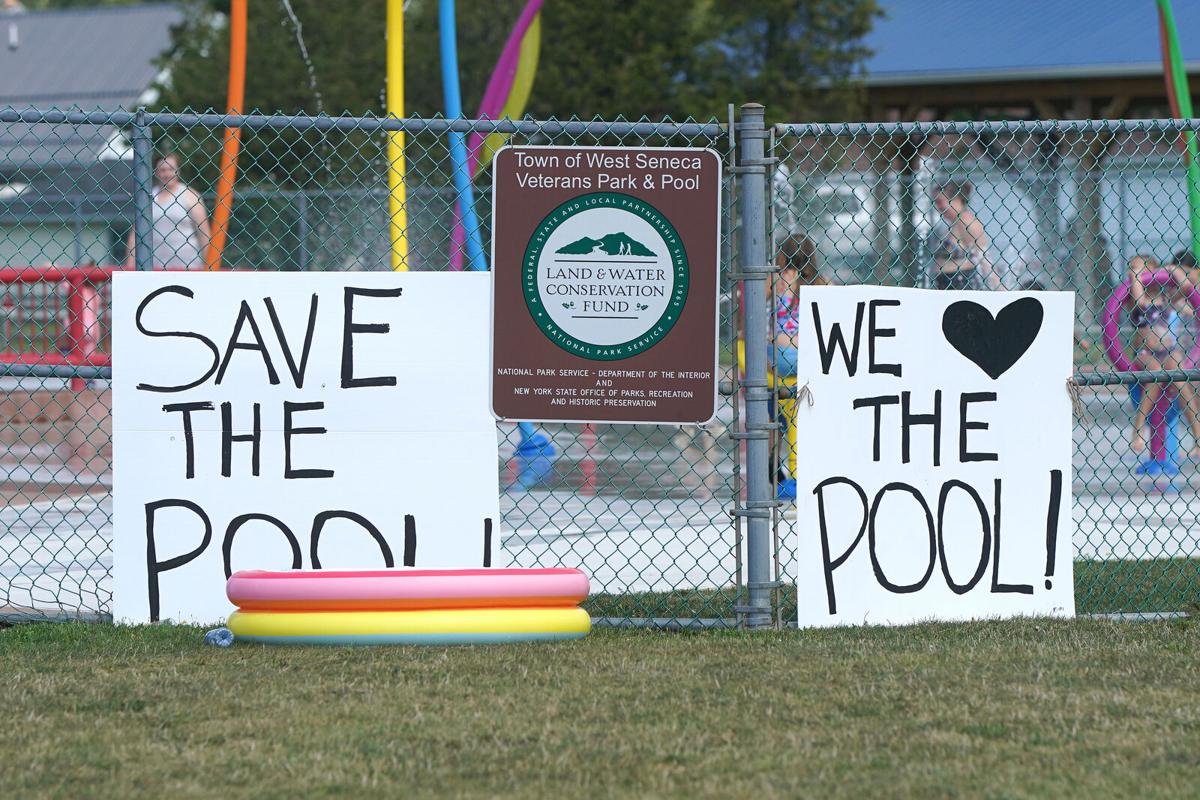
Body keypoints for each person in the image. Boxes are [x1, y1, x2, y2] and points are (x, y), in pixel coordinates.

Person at [1127, 255, 1200, 455]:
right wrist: (1135, 277)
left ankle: (1198, 435)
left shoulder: (1166, 297)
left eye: (1139, 269)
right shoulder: (1134, 299)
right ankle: (1139, 427)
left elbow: (1185, 286)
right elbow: (1141, 300)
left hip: (1168, 351)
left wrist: (1171, 269)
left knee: (1181, 379)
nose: (1133, 272)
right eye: (1131, 268)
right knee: (1156, 372)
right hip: (1145, 353)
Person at [125, 153, 211, 269]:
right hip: (154, 268)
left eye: (171, 169)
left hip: (188, 267)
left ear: (178, 171)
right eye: (162, 170)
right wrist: (130, 266)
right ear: (156, 172)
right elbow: (135, 234)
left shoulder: (191, 196)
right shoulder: (147, 197)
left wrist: (210, 266)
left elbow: (204, 235)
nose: (167, 174)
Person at [771, 234, 827, 377]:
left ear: (782, 256)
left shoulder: (778, 279)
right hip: (814, 355)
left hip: (781, 352)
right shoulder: (822, 283)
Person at [930, 180, 1000, 290]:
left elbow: (983, 257)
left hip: (960, 283)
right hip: (948, 283)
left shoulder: (966, 221)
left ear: (956, 200)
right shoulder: (953, 223)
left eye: (940, 201)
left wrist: (999, 289)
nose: (937, 207)